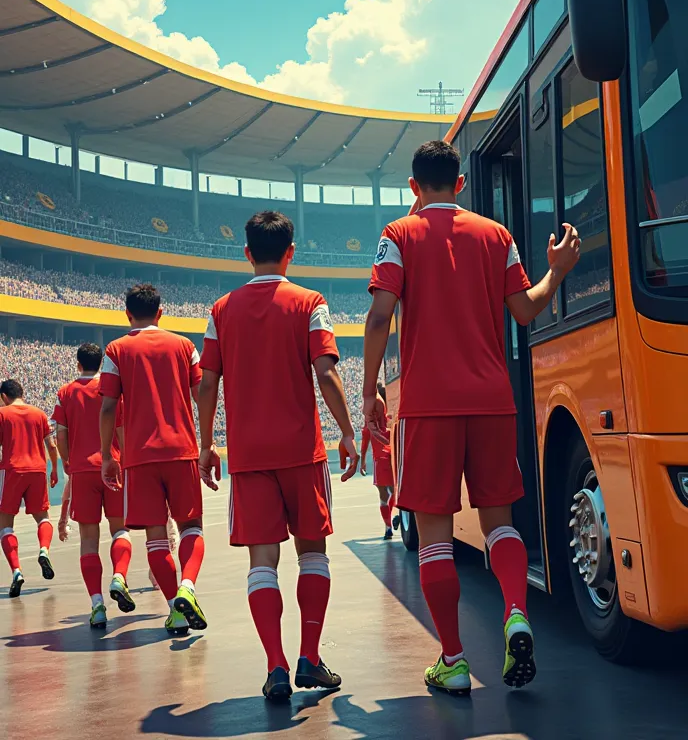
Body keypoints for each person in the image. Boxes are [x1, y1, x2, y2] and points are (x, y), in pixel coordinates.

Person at [363, 140, 580, 695]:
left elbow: (379, 316)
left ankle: (454, 661)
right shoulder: (496, 235)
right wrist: (556, 272)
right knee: (499, 521)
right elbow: (526, 309)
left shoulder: (397, 236)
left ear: (414, 188)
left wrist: (369, 391)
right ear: (461, 184)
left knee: (434, 534)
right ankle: (515, 612)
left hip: (429, 406)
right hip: (491, 401)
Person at [197, 211, 359, 701]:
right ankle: (311, 655)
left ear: (246, 253)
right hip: (302, 453)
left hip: (249, 457)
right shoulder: (310, 301)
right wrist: (347, 432)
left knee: (261, 562)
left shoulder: (220, 310)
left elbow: (207, 383)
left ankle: (275, 665)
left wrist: (206, 445)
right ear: (291, 252)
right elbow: (327, 374)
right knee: (313, 553)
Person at [99, 284, 209, 637]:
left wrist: (107, 456)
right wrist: (209, 443)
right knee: (191, 527)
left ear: (127, 314)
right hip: (181, 450)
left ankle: (174, 613)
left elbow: (107, 406)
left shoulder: (115, 350)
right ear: (161, 313)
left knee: (156, 538)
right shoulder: (185, 346)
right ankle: (188, 588)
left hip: (139, 457)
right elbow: (201, 394)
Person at [52, 342, 134, 629]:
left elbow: (60, 434)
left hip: (83, 471)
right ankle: (120, 576)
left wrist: (67, 463)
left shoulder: (65, 393)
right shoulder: (111, 388)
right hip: (113, 465)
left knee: (88, 538)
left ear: (78, 364)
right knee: (120, 529)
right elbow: (121, 427)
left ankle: (97, 604)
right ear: (101, 363)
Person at [0, 379, 59, 596]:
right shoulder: (39, 414)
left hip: (12, 470)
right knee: (43, 518)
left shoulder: (3, 414)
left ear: (4, 396)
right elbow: (51, 445)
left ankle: (17, 571)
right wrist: (54, 469)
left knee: (5, 525)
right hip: (37, 469)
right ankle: (44, 550)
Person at [360, 382, 395, 539]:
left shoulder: (370, 422)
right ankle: (395, 513)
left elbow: (365, 439)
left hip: (379, 458)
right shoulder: (389, 420)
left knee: (382, 495)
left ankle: (388, 525)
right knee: (395, 490)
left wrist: (362, 462)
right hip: (392, 455)